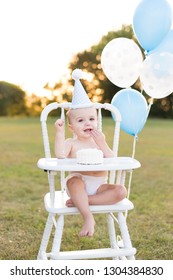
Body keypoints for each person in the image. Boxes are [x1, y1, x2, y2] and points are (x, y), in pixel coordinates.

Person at [54, 106, 127, 237]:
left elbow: (112, 159)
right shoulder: (71, 143)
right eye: (81, 120)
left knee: (121, 191)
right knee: (74, 182)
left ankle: (83, 200)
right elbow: (60, 154)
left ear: (96, 122)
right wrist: (59, 132)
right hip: (79, 184)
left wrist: (102, 143)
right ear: (71, 127)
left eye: (92, 119)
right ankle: (88, 217)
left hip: (100, 187)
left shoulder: (99, 141)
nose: (88, 123)